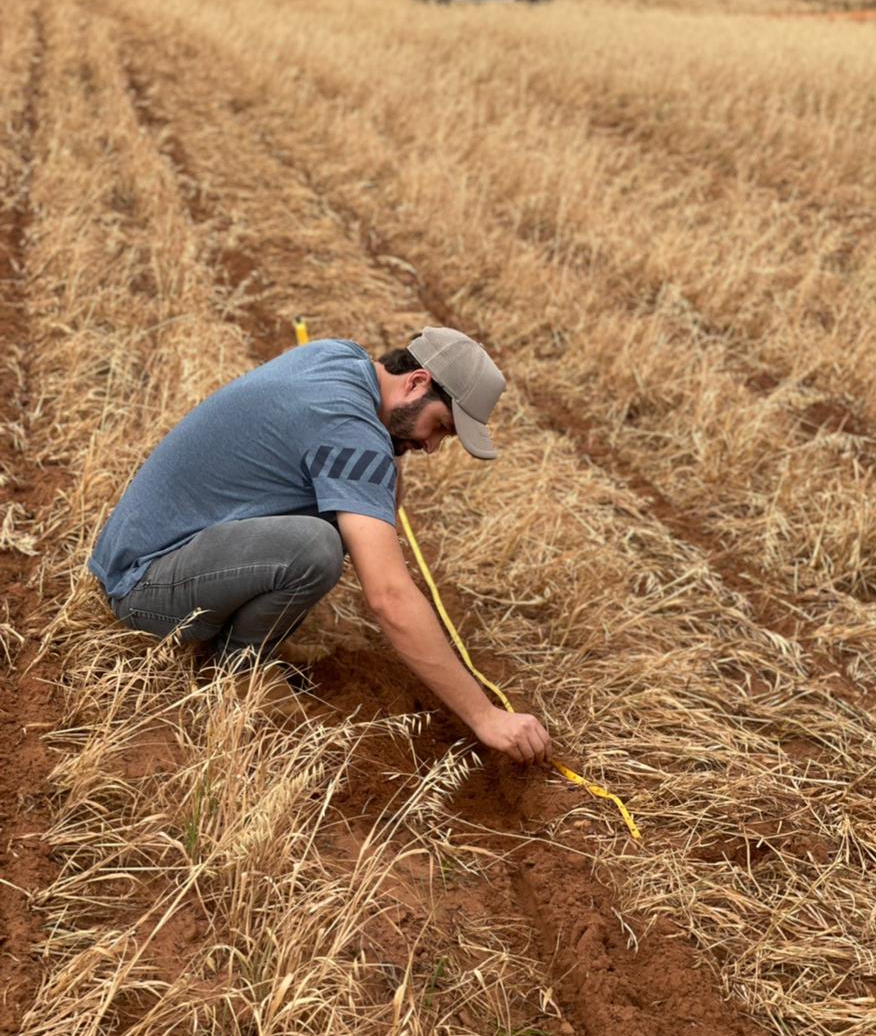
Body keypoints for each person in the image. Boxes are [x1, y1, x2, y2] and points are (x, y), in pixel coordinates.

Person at [89, 327, 552, 766]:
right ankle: (239, 669)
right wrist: (485, 716)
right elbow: (389, 596)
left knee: (347, 514)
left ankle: (243, 638)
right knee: (316, 546)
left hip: (143, 547)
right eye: (441, 427)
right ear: (416, 382)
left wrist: (391, 453)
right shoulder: (351, 434)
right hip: (143, 586)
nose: (431, 446)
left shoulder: (340, 358)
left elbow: (378, 487)